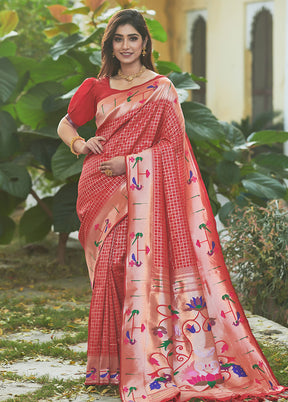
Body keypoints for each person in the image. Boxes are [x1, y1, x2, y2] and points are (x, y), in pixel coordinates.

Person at [57, 9, 287, 402]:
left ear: (145, 43)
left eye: (133, 38)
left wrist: (130, 165)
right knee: (111, 266)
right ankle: (111, 363)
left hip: (142, 189)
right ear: (110, 44)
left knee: (132, 268)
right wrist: (81, 144)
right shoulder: (96, 87)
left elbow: (173, 148)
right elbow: (66, 123)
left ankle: (149, 357)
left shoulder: (161, 88)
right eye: (118, 39)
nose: (126, 46)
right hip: (100, 187)